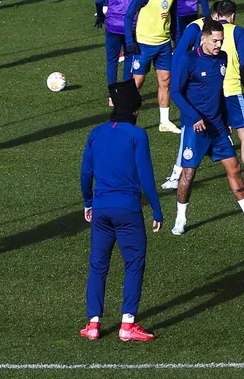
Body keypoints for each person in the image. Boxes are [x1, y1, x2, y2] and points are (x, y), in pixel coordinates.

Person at [169, 18, 244, 236]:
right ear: (203, 39)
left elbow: (219, 92)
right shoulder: (188, 61)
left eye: (221, 41)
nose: (219, 45)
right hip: (196, 128)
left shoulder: (223, 58)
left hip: (218, 127)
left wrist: (227, 119)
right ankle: (180, 218)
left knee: (234, 168)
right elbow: (175, 92)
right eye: (215, 41)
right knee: (188, 174)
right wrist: (193, 117)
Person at [79, 80, 162, 343]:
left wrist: (88, 202)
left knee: (98, 265)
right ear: (134, 111)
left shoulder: (96, 132)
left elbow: (85, 173)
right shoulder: (137, 135)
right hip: (127, 210)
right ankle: (127, 324)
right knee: (134, 264)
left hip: (101, 210)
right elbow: (145, 176)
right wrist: (157, 210)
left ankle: (93, 323)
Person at [167, 0, 244, 193]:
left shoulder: (202, 29)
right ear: (233, 15)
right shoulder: (237, 31)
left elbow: (191, 56)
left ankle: (174, 175)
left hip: (209, 93)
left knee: (190, 139)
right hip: (230, 89)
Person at [125, 0, 180, 133]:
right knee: (137, 83)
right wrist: (129, 42)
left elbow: (173, 15)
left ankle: (164, 122)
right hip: (144, 44)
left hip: (163, 45)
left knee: (165, 82)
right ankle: (127, 119)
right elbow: (128, 16)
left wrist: (176, 40)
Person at [96, 0, 145, 87]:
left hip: (112, 25)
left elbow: (99, 0)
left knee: (112, 61)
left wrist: (100, 16)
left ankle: (112, 96)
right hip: (132, 27)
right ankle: (125, 93)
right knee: (129, 58)